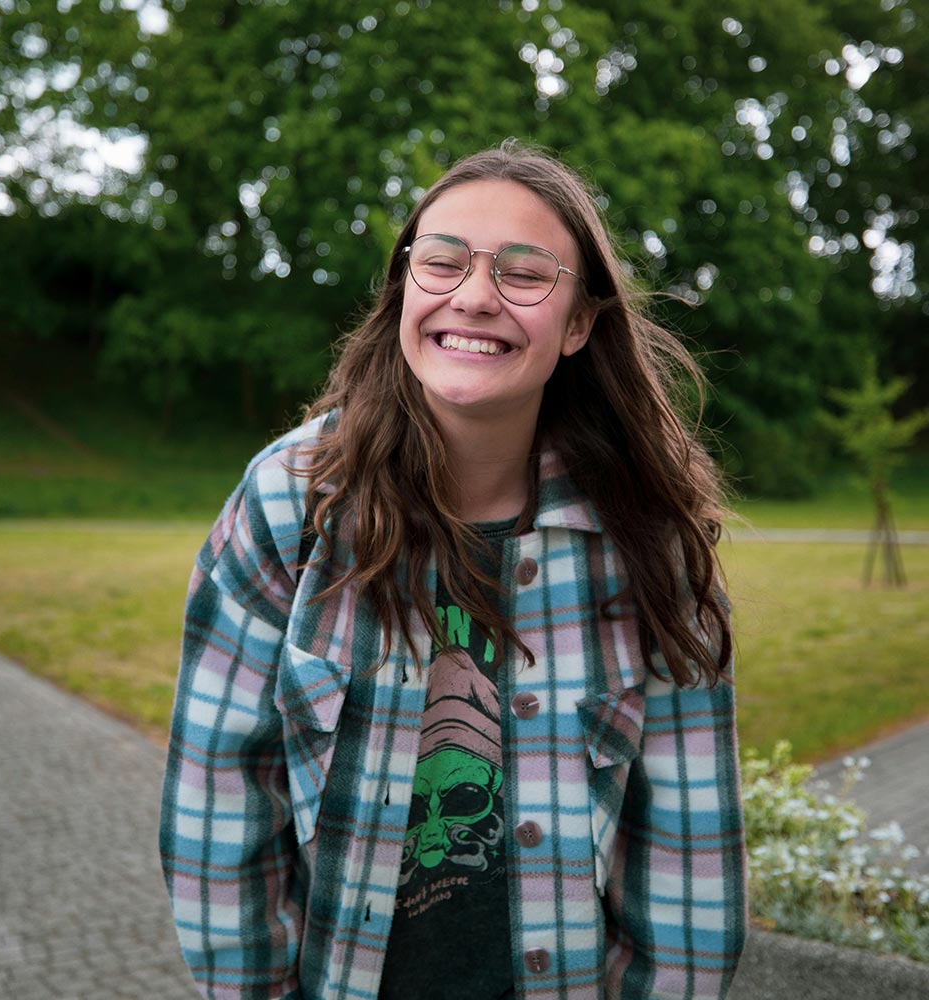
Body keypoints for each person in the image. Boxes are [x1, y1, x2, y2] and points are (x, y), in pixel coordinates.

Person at [159, 139, 746, 1000]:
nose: (473, 296)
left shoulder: (648, 541)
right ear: (404, 285)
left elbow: (687, 861)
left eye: (525, 272)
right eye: (441, 262)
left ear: (579, 323)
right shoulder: (290, 506)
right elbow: (219, 811)